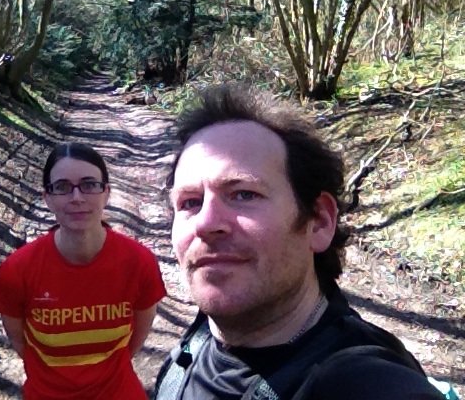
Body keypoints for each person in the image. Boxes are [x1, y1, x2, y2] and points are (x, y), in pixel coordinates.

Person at [155, 85, 446, 400]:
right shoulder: (191, 351)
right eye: (190, 202)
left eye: (244, 194)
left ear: (319, 221)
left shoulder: (369, 384)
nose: (206, 223)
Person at [0, 142, 167, 400]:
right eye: (62, 187)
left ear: (106, 193)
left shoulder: (139, 263)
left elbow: (137, 337)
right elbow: (20, 344)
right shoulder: (17, 271)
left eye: (89, 184)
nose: (77, 198)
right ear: (47, 198)